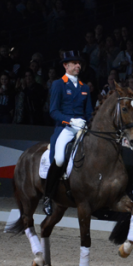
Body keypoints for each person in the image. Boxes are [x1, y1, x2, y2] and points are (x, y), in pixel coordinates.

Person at [42, 51, 93, 215]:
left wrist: (87, 122)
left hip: (82, 127)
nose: (78, 65)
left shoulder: (85, 87)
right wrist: (70, 121)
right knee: (59, 159)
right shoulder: (59, 84)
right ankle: (48, 196)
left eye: (79, 63)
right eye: (74, 63)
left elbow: (89, 112)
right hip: (66, 128)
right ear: (66, 65)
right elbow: (53, 111)